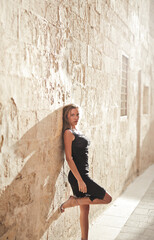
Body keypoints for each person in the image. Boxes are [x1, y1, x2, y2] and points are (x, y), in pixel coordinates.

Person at [60, 104, 112, 240]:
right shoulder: (68, 133)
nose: (76, 117)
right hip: (79, 176)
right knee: (107, 198)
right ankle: (73, 202)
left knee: (85, 209)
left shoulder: (76, 130)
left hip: (84, 173)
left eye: (77, 114)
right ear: (67, 116)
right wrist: (80, 180)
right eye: (72, 115)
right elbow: (69, 158)